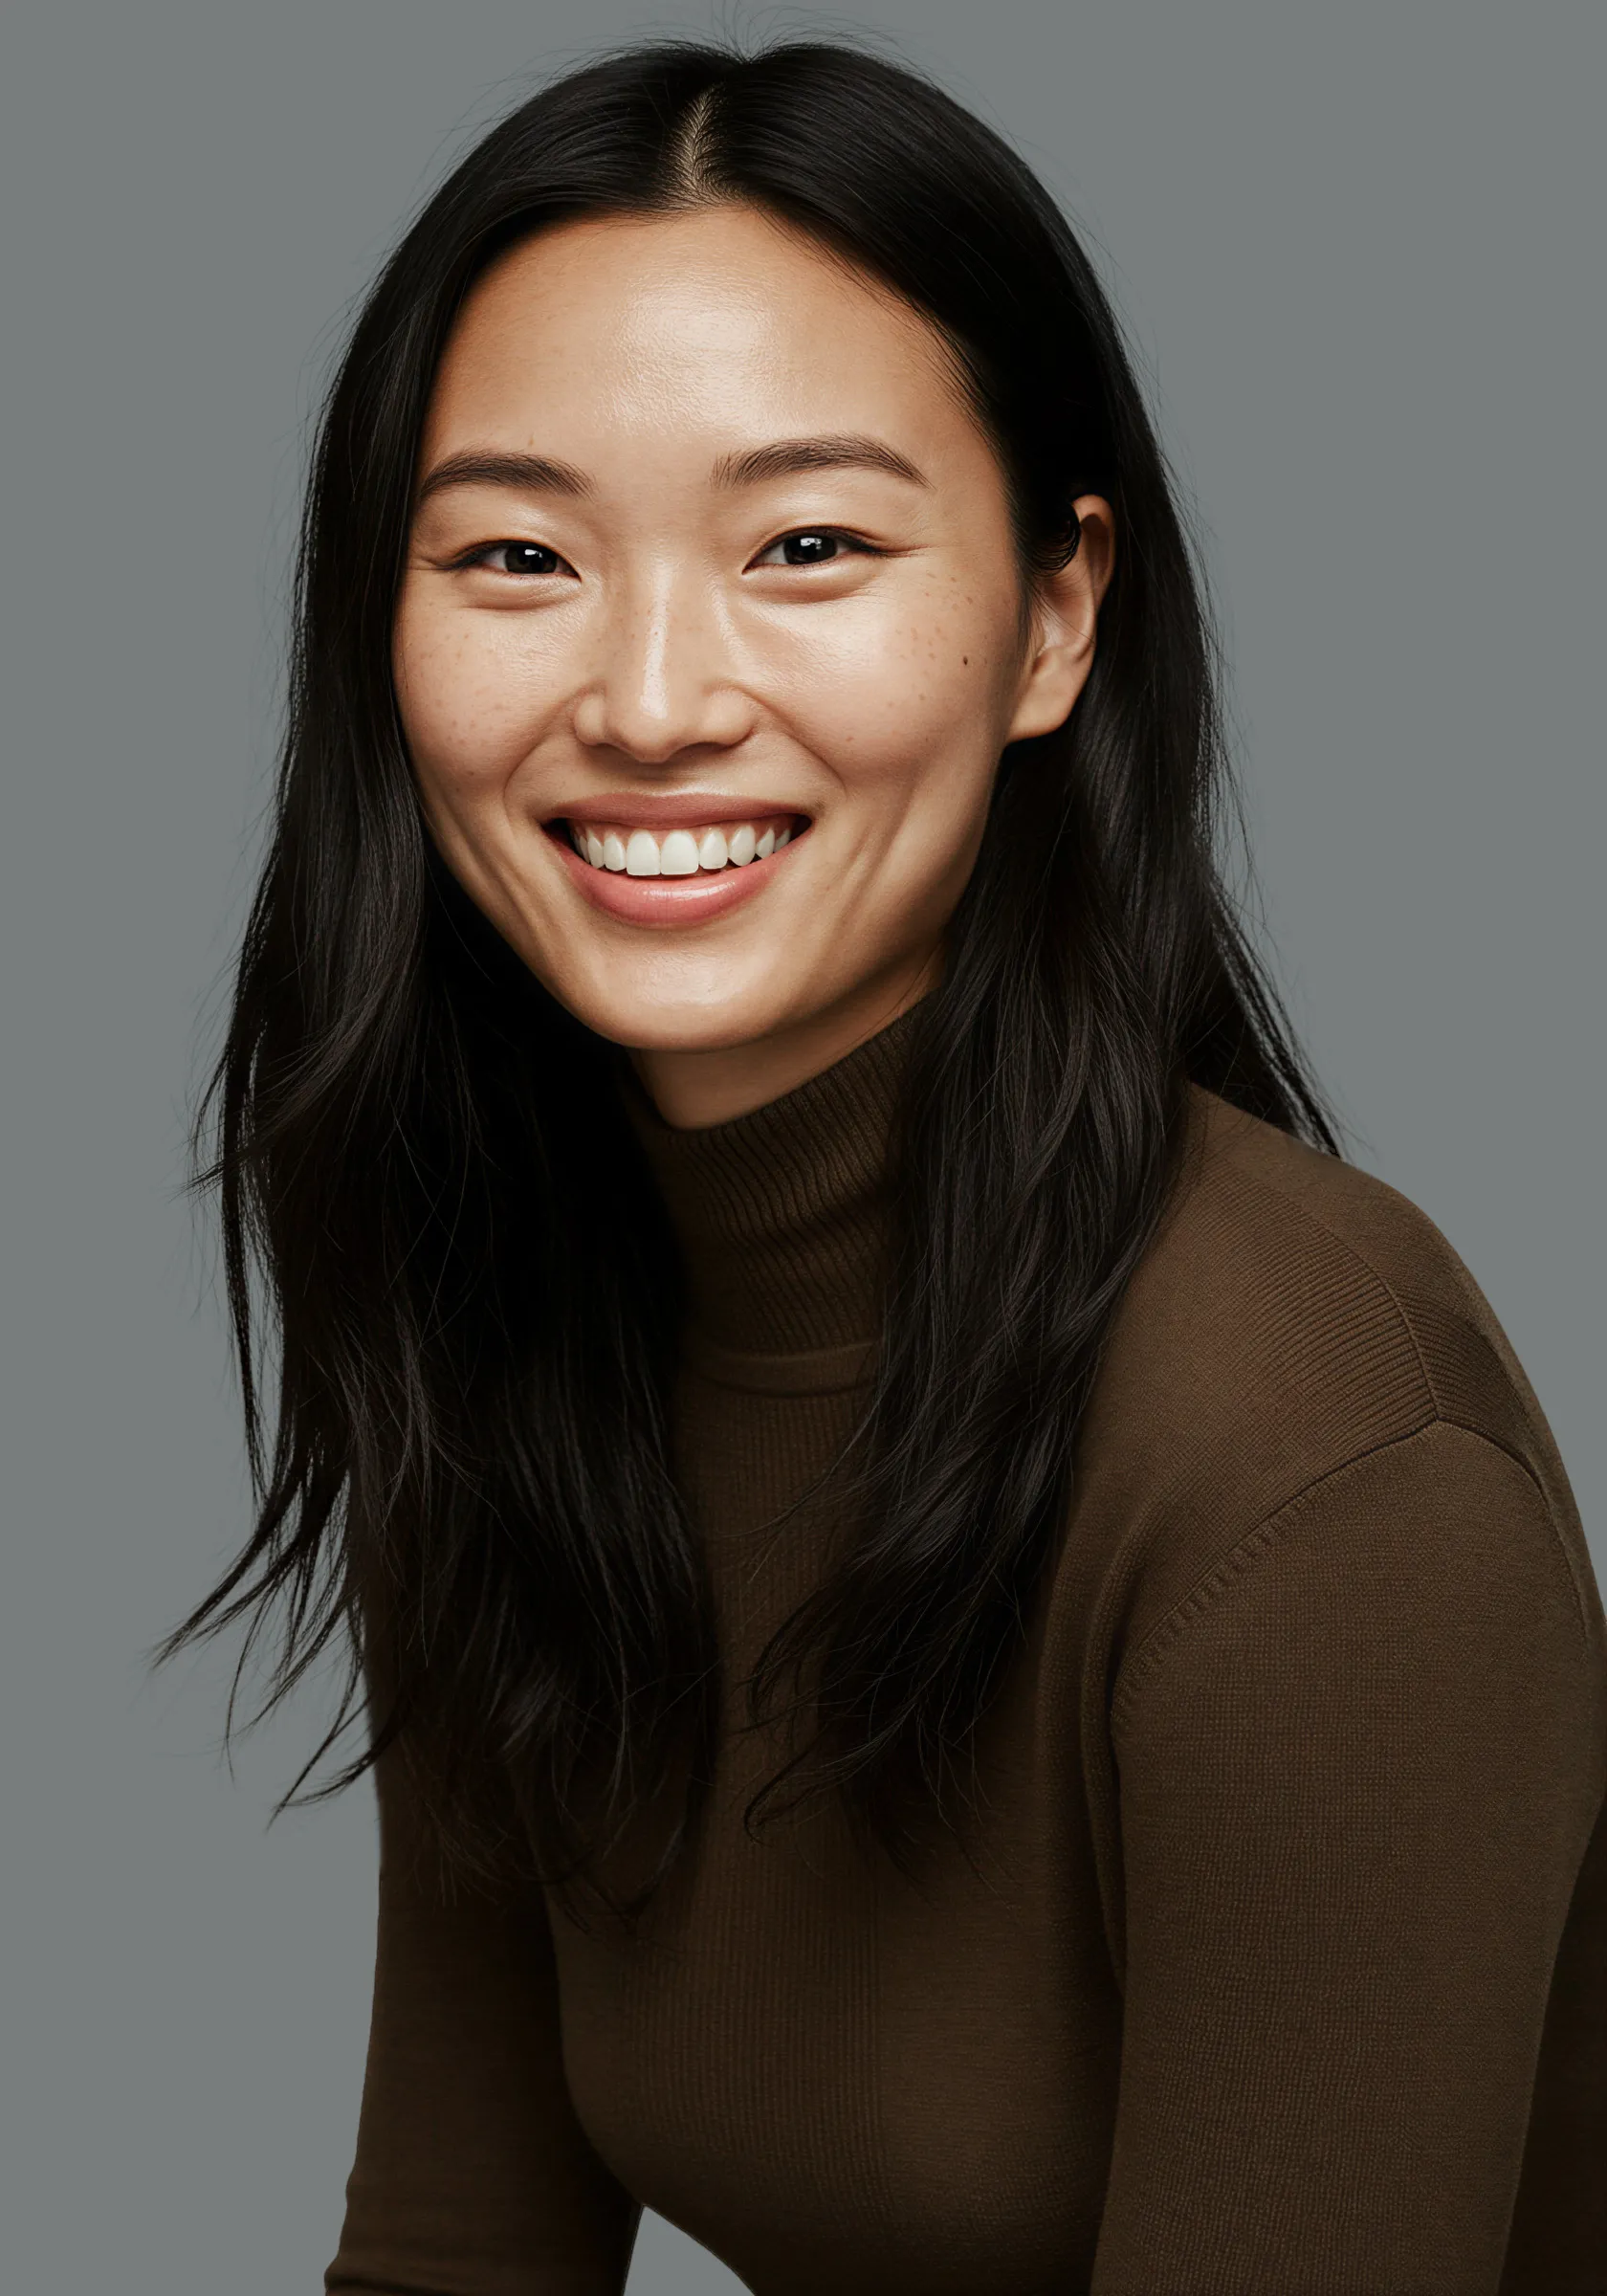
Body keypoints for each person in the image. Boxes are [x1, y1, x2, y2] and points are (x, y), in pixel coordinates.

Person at [168, 36, 1605, 2295]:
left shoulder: (1324, 1477)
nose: (649, 698)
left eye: (808, 545)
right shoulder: (509, 1311)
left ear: (1054, 618)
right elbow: (457, 2255)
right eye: (519, 552)